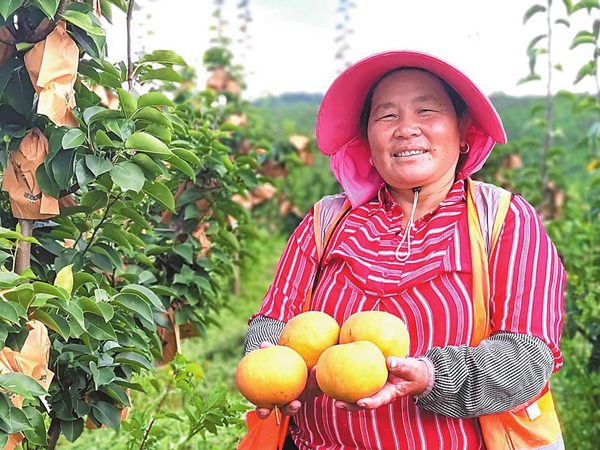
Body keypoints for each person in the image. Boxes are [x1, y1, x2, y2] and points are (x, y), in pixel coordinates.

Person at [243, 51, 565, 450]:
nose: (406, 129)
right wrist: (280, 368)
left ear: (463, 130)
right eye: (387, 115)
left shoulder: (505, 220)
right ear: (368, 138)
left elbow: (529, 358)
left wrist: (431, 376)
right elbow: (274, 318)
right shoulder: (326, 220)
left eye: (427, 111)